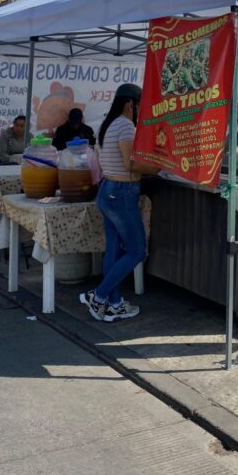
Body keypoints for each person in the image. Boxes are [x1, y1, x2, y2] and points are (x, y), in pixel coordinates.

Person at [80, 84, 154, 323]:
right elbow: (130, 163)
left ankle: (114, 304)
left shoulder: (108, 124)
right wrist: (158, 167)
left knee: (113, 249)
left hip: (108, 191)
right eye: (140, 104)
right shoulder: (125, 126)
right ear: (131, 104)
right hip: (122, 193)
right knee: (136, 251)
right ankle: (99, 296)